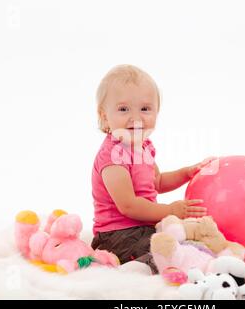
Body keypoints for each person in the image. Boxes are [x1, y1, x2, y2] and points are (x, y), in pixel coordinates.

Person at [91, 64, 216, 274]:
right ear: (104, 116)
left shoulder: (144, 147)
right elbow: (129, 206)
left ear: (157, 112)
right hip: (117, 236)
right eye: (123, 109)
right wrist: (170, 210)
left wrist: (186, 173)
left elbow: (156, 182)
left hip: (144, 227)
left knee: (185, 241)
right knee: (167, 251)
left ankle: (180, 262)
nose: (136, 118)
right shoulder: (112, 157)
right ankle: (135, 272)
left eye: (145, 109)